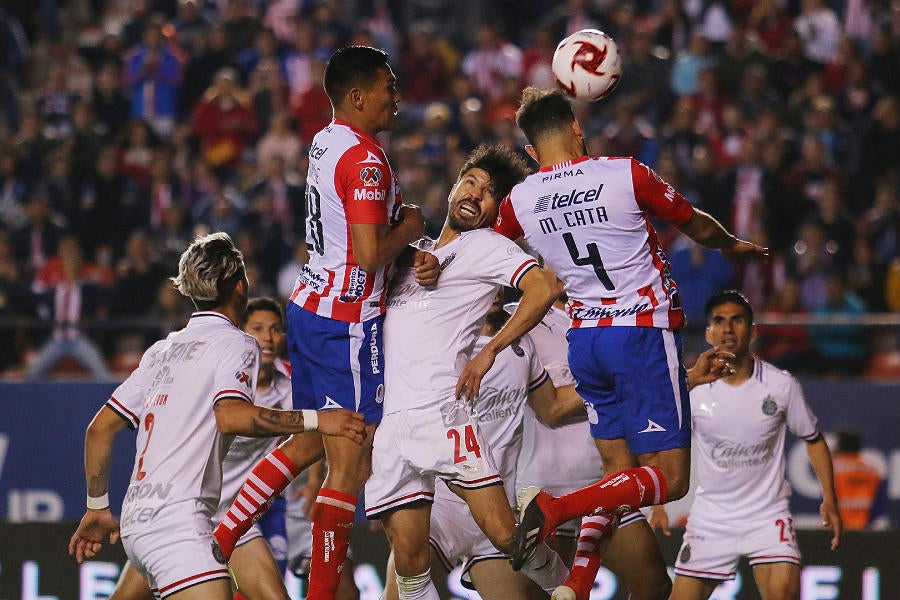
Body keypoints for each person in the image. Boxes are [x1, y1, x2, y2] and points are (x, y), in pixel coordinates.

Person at [493, 87, 768, 599]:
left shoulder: (520, 200)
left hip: (585, 342)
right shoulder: (625, 173)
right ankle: (556, 508)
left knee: (618, 473)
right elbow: (694, 225)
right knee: (670, 478)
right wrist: (732, 243)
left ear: (531, 149)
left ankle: (577, 581)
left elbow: (483, 252)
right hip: (639, 333)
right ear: (576, 127)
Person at [213, 45, 438, 600]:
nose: (397, 96)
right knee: (351, 450)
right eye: (388, 86)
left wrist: (405, 249)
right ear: (358, 96)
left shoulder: (324, 140)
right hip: (347, 322)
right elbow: (365, 254)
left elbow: (344, 234)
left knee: (315, 438)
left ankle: (220, 537)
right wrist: (411, 226)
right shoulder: (365, 159)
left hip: (309, 304)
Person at [68, 232, 366, 600]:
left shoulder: (162, 350)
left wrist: (97, 507)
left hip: (140, 522)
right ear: (240, 286)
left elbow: (99, 430)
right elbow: (231, 417)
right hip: (180, 526)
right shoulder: (235, 343)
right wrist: (321, 420)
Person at [365, 143, 567, 600]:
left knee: (503, 533)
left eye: (490, 192)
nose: (476, 193)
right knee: (410, 562)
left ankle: (569, 588)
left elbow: (541, 289)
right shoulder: (413, 256)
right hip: (394, 426)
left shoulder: (487, 246)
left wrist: (491, 350)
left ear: (496, 209)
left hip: (442, 414)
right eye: (471, 181)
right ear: (455, 185)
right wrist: (413, 250)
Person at [382, 291, 584, 600]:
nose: (492, 291)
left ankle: (575, 588)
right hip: (442, 506)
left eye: (494, 282)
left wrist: (608, 383)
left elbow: (552, 407)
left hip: (498, 510)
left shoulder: (520, 343)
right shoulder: (434, 344)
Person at [649, 290, 842, 600]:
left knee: (782, 594)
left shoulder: (781, 386)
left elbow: (813, 439)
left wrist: (830, 498)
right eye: (720, 321)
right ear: (709, 332)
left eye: (737, 320)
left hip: (767, 515)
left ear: (752, 331)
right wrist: (658, 503)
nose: (728, 329)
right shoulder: (692, 389)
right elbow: (664, 443)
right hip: (712, 517)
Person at [107, 296, 296, 600]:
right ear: (241, 332)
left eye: (275, 329)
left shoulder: (290, 388)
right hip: (181, 514)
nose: (267, 337)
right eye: (258, 328)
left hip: (232, 516)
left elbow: (305, 445)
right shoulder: (214, 370)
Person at [833, 430, 885, 530]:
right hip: (865, 529)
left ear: (840, 446)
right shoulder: (872, 471)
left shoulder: (832, 470)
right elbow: (879, 504)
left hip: (839, 530)